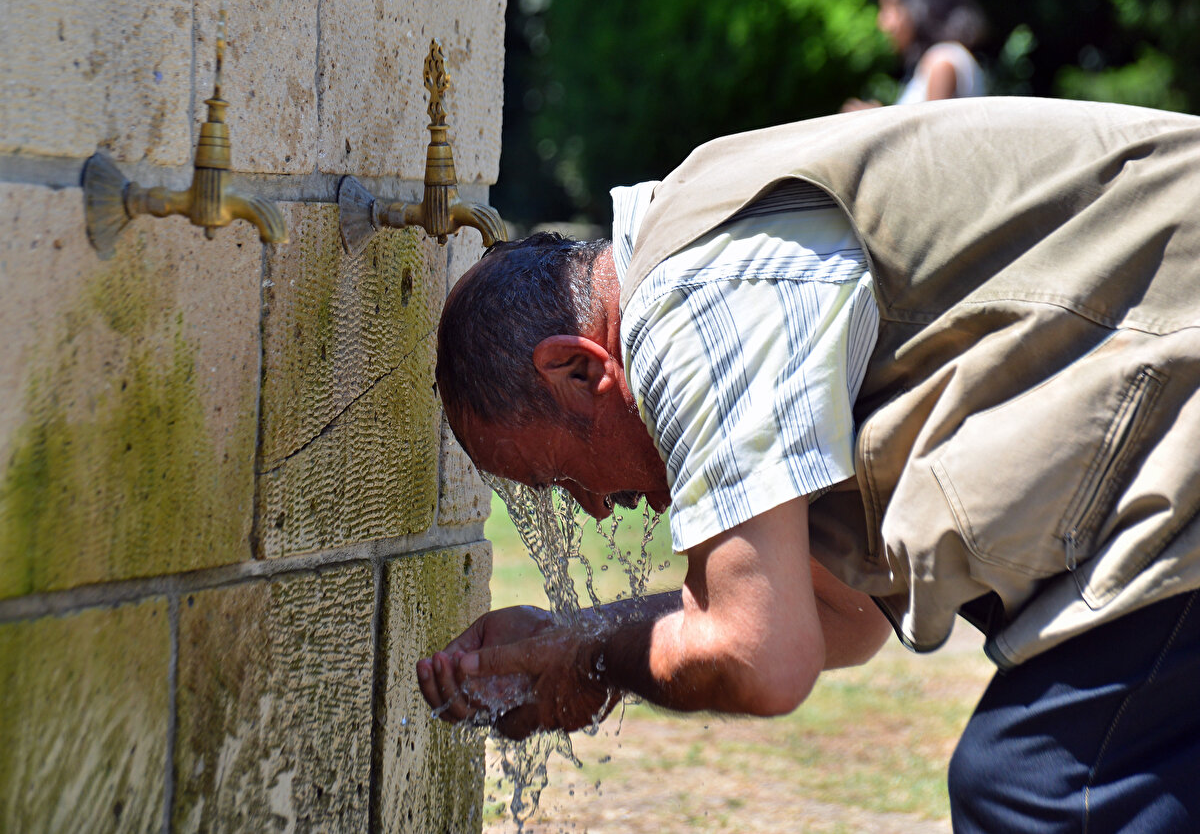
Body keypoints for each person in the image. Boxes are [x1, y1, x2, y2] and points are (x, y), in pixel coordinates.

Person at [419, 97, 1200, 831]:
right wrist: (571, 635)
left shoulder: (692, 306)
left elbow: (762, 657)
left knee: (1046, 786)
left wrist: (582, 660)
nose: (593, 509)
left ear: (581, 370)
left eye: (560, 477)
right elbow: (837, 617)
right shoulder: (701, 251)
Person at [843, 0, 987, 111]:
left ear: (917, 7)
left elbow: (931, 136)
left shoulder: (942, 63)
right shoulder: (940, 58)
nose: (882, 22)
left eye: (889, 8)